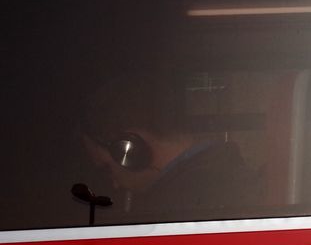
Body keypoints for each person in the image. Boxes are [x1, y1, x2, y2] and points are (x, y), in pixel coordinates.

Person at [78, 72, 258, 221]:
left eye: (107, 169)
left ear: (129, 149)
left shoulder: (171, 211)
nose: (115, 185)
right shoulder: (228, 172)